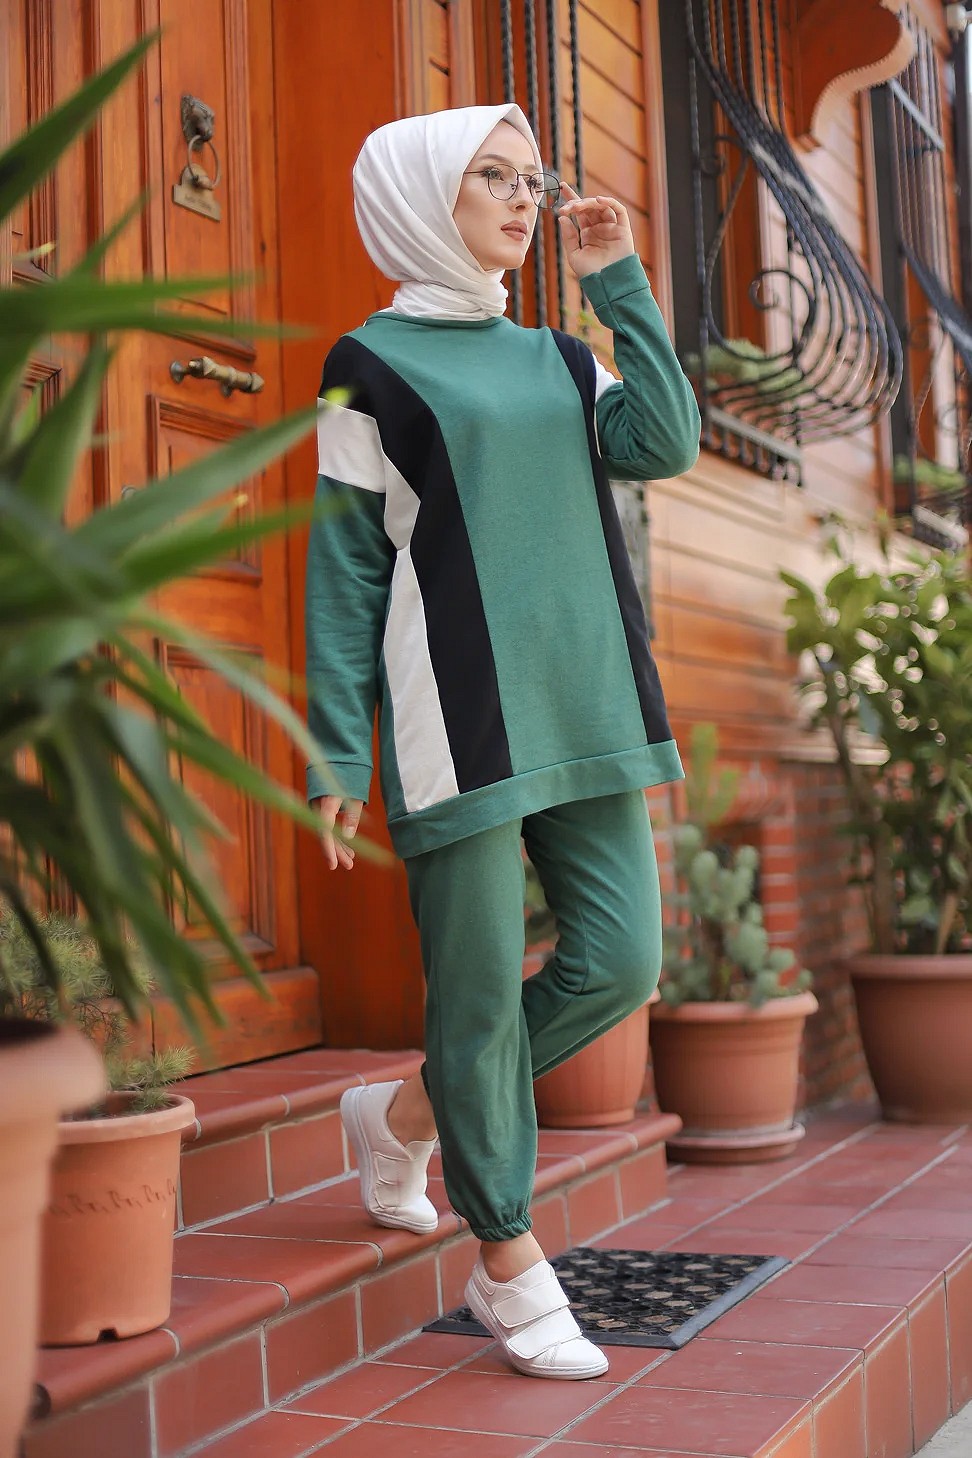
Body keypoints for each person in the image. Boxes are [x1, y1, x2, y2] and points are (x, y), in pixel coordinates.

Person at [305, 102, 701, 1380]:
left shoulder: (561, 361)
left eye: (534, 179)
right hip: (456, 714)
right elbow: (345, 568)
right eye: (495, 177)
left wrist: (617, 280)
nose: (525, 199)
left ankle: (408, 1114)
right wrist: (337, 749)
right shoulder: (366, 366)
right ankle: (507, 1259)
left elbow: (666, 441)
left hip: (586, 702)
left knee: (620, 962)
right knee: (475, 1000)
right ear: (426, 194)